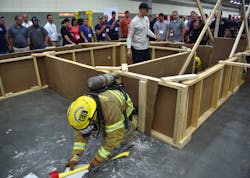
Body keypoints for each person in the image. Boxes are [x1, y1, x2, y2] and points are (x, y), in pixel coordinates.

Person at [66, 74, 138, 174]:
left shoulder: (110, 106)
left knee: (121, 142)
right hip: (107, 114)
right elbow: (81, 134)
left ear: (93, 117)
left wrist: (98, 159)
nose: (88, 133)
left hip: (125, 118)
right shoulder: (85, 107)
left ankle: (130, 132)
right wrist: (75, 156)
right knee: (106, 135)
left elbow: (115, 136)